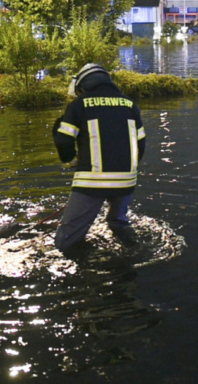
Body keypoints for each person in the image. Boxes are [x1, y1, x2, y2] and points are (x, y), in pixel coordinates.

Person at [53, 63, 146, 255]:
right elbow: (141, 143)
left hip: (91, 182)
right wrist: (128, 169)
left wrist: (72, 161)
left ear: (82, 85)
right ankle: (133, 251)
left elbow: (63, 139)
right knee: (118, 224)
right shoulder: (130, 105)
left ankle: (71, 262)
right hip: (126, 180)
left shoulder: (79, 105)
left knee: (67, 238)